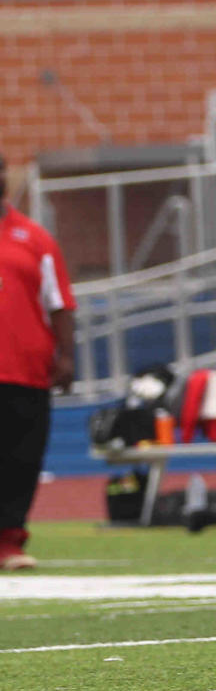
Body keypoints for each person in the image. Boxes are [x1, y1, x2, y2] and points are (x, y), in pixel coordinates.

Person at [0, 152, 76, 570]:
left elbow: (61, 303)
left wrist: (67, 355)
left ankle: (10, 541)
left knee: (21, 459)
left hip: (26, 368)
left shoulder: (36, 238)